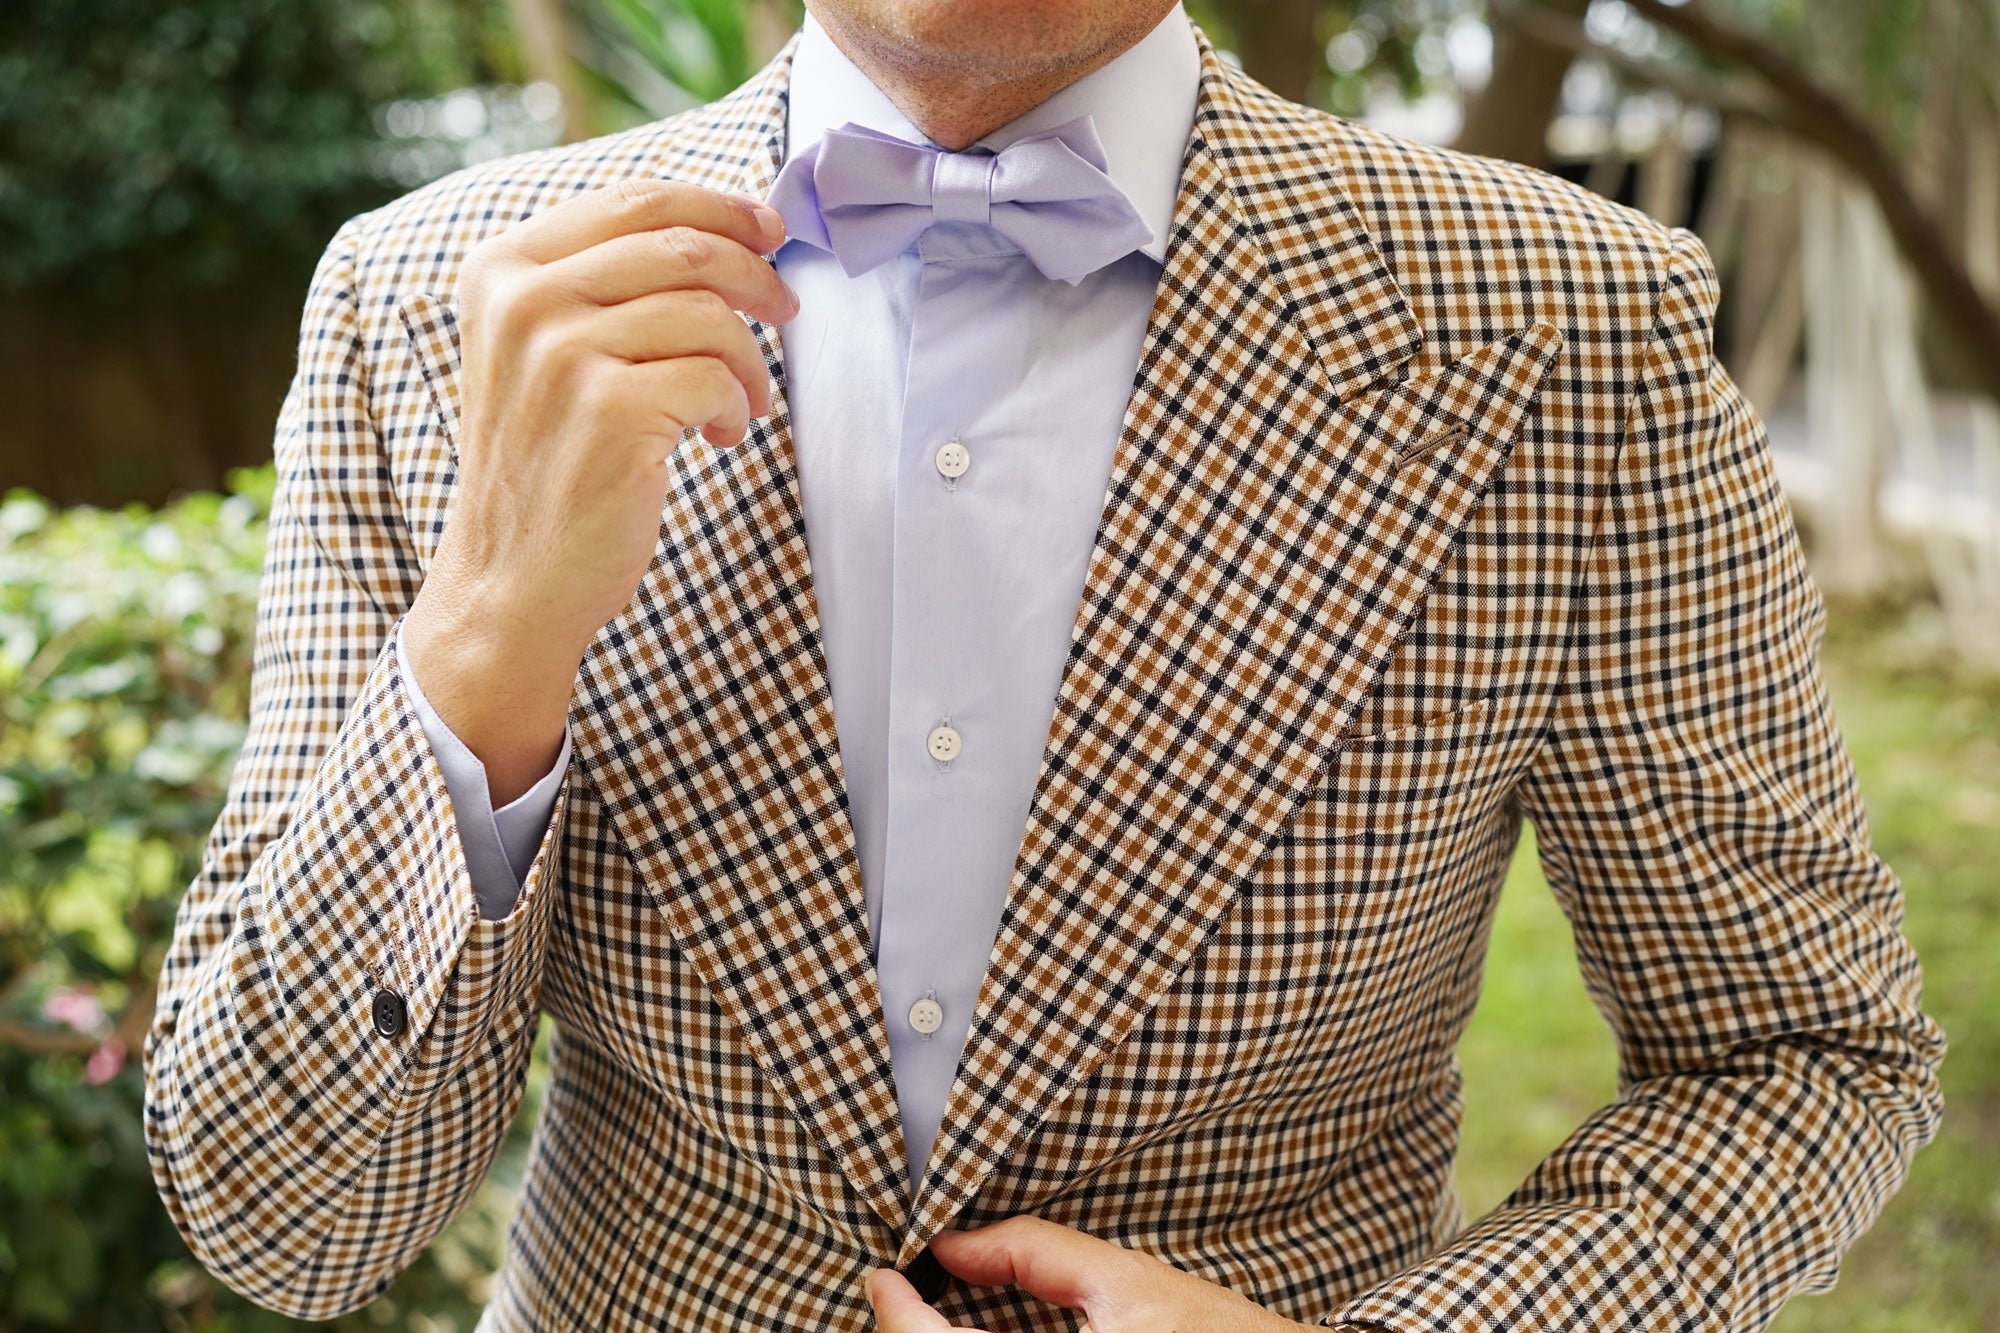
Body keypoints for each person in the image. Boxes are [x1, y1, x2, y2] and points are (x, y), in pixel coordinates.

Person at [142, 0, 1946, 1328]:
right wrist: (485, 632)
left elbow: (1804, 1054)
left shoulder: (1565, 326)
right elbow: (285, 1213)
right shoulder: (425, 300)